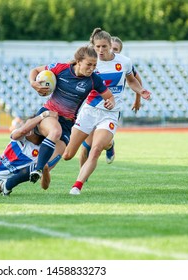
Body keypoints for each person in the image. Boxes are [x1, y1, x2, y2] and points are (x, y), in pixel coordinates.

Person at [4, 45, 114, 195]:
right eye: (89, 64)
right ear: (78, 62)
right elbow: (35, 71)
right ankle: (33, 168)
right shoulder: (61, 68)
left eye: (94, 65)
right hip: (49, 115)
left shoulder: (94, 79)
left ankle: (8, 184)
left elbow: (109, 96)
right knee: (55, 131)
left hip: (68, 124)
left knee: (47, 166)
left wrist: (110, 102)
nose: (92, 69)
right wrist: (33, 82)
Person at [63, 28, 151, 195]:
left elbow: (132, 81)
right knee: (68, 154)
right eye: (97, 47)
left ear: (111, 45)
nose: (100, 51)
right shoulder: (90, 61)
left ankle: (77, 186)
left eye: (104, 46)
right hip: (89, 111)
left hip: (110, 113)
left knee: (95, 149)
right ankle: (109, 144)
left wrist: (140, 92)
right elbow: (71, 74)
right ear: (93, 46)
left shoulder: (124, 62)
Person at [79, 35, 144, 168]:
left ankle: (110, 145)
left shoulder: (123, 64)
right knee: (86, 145)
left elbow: (137, 81)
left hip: (111, 110)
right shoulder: (96, 63)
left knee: (101, 144)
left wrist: (138, 100)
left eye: (116, 49)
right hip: (92, 107)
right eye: (111, 48)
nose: (112, 51)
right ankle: (82, 178)